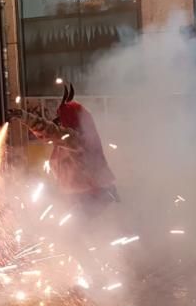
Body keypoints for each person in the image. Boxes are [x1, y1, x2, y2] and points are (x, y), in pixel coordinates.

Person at [8, 84, 117, 217]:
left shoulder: (77, 140)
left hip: (96, 198)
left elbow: (51, 132)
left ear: (69, 119)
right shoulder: (70, 142)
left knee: (83, 234)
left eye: (61, 118)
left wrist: (24, 117)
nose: (58, 122)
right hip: (85, 197)